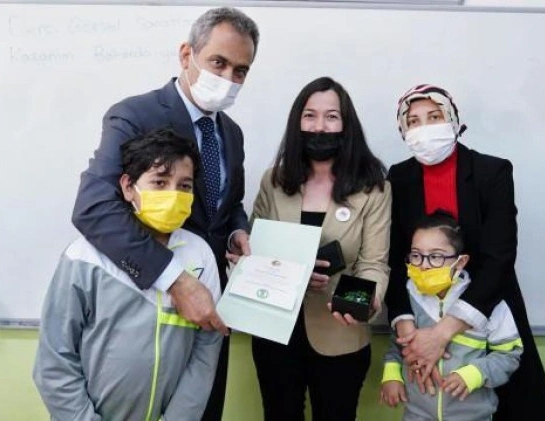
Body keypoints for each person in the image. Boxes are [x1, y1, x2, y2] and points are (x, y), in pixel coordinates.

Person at [70, 7, 259, 419]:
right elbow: (94, 208)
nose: (228, 78)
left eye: (241, 70)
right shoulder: (135, 115)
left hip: (209, 309)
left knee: (202, 408)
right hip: (141, 311)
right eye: (218, 63)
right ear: (186, 54)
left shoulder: (232, 133)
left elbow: (228, 206)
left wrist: (236, 232)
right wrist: (176, 280)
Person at [385, 83, 545, 420]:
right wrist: (409, 336)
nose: (424, 128)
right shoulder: (400, 177)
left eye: (434, 117)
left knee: (505, 408)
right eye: (414, 121)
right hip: (421, 314)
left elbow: (499, 258)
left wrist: (442, 334)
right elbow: (394, 257)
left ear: (453, 120)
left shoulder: (492, 172)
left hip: (488, 309)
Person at [34, 128, 222, 420]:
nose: (173, 194)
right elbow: (54, 361)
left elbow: (204, 355)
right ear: (128, 187)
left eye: (184, 186)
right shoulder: (84, 256)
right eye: (159, 182)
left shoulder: (200, 255)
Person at [249, 76, 391, 421]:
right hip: (274, 331)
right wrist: (291, 272)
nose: (320, 126)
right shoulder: (274, 180)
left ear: (346, 124)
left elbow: (373, 263)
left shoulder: (373, 187)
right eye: (310, 116)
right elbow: (254, 250)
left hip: (340, 331)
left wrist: (365, 301)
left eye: (331, 116)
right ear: (297, 122)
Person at [380, 212, 523, 420]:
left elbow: (509, 356)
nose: (424, 265)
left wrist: (474, 374)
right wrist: (392, 375)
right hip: (416, 414)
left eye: (436, 256)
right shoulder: (407, 300)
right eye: (416, 255)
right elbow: (398, 344)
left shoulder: (488, 304)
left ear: (460, 261)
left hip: (473, 416)